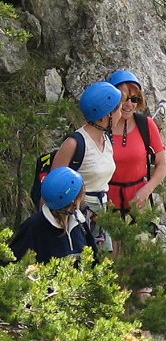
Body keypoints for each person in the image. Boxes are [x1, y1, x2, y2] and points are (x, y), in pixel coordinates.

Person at [52, 81, 122, 252]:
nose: (121, 114)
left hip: (99, 211)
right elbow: (54, 186)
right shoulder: (74, 143)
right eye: (118, 109)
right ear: (107, 115)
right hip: (76, 215)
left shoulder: (106, 139)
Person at [106, 70, 166, 215]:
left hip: (138, 202)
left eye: (134, 99)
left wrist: (147, 190)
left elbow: (162, 164)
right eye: (124, 98)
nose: (129, 104)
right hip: (105, 207)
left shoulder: (146, 125)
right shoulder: (101, 126)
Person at [10, 167, 97, 263]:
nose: (84, 195)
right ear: (73, 201)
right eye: (81, 193)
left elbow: (95, 260)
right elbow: (11, 263)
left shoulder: (80, 221)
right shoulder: (33, 227)